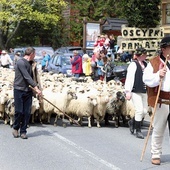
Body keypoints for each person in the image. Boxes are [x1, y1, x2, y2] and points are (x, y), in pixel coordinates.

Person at [143, 36, 170, 165]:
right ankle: (156, 153)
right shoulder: (153, 62)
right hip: (161, 100)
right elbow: (146, 79)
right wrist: (157, 75)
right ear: (163, 49)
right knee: (158, 129)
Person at [12, 47, 42, 139]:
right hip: (19, 89)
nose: (35, 56)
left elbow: (35, 76)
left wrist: (38, 87)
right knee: (19, 111)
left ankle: (23, 131)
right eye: (35, 54)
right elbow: (27, 76)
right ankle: (16, 127)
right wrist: (36, 88)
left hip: (28, 91)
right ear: (31, 54)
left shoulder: (32, 64)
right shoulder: (21, 62)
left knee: (27, 112)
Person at [125, 47, 148, 139]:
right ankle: (138, 130)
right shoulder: (133, 65)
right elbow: (130, 78)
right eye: (145, 55)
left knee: (145, 111)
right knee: (139, 110)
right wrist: (128, 91)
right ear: (141, 55)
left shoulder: (146, 64)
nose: (146, 56)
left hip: (144, 90)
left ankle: (132, 122)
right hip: (135, 90)